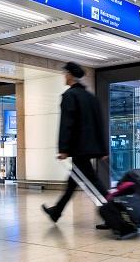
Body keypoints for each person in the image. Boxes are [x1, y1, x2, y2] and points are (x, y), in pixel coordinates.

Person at [42, 62, 108, 226]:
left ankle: (114, 214)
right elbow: (100, 123)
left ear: (70, 75)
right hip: (90, 148)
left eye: (65, 73)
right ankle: (56, 211)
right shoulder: (91, 97)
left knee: (93, 182)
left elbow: (67, 124)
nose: (64, 76)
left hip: (79, 149)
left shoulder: (70, 96)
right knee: (74, 181)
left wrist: (63, 148)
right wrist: (102, 149)